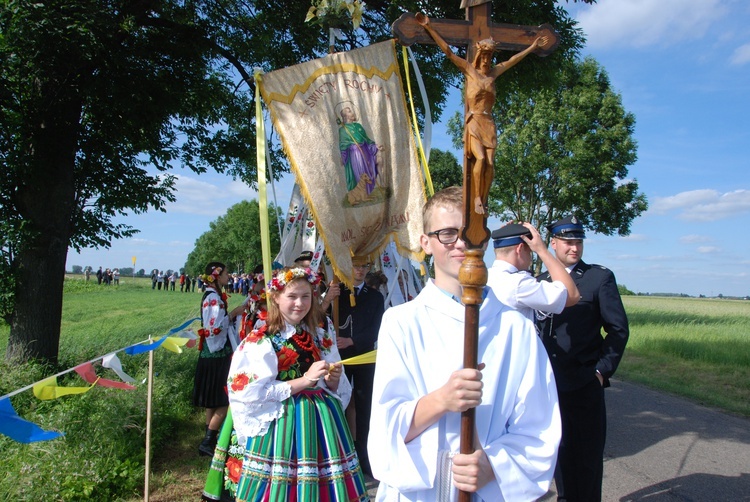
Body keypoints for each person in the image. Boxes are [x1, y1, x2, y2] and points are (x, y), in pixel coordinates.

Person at [368, 186, 561, 501]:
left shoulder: (516, 328)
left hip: (486, 491)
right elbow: (384, 430)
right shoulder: (401, 323)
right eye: (446, 233)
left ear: (483, 239)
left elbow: (540, 429)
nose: (460, 243)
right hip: (418, 492)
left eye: (469, 233)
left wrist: (493, 466)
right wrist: (441, 400)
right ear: (426, 243)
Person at [227, 266, 368, 501]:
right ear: (276, 298)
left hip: (322, 422)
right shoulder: (262, 339)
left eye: (306, 296)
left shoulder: (319, 333)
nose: (300, 304)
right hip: (283, 422)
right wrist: (305, 380)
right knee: (284, 490)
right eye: (291, 297)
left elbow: (335, 384)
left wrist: (331, 381)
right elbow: (250, 393)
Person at [537, 215, 629, 502]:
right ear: (553, 243)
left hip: (584, 382)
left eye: (578, 242)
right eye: (567, 242)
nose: (574, 248)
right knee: (558, 457)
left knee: (587, 460)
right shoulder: (538, 281)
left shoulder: (598, 278)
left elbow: (618, 330)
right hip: (548, 385)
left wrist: (602, 371)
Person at [416, 13, 547, 215]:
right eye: (484, 56)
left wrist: (532, 47)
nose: (486, 60)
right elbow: (449, 52)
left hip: (488, 122)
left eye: (489, 57)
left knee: (491, 163)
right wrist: (430, 27)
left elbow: (513, 60)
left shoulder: (494, 73)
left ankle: (484, 199)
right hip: (474, 120)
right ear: (479, 56)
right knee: (481, 160)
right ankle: (476, 197)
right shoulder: (470, 70)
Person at [324, 255, 385, 476]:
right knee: (335, 401)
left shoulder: (375, 296)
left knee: (363, 404)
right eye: (355, 266)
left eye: (363, 266)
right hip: (337, 358)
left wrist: (353, 340)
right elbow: (318, 320)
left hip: (364, 357)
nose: (359, 270)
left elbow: (377, 326)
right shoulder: (335, 292)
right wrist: (327, 300)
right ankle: (336, 451)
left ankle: (364, 454)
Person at [193, 262, 246, 458]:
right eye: (225, 274)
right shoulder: (213, 299)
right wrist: (234, 314)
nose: (228, 276)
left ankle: (210, 437)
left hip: (213, 354)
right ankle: (208, 439)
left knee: (213, 400)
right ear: (216, 276)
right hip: (216, 354)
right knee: (224, 399)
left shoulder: (214, 296)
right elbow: (213, 328)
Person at [487, 222, 580, 321]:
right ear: (520, 248)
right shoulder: (519, 284)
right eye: (530, 251)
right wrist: (542, 250)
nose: (530, 258)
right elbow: (571, 295)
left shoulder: (486, 277)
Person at [339, 104, 382, 198]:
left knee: (369, 169)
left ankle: (369, 191)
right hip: (355, 154)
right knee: (361, 172)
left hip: (365, 150)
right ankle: (363, 194)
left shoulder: (358, 126)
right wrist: (343, 156)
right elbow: (343, 145)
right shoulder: (343, 130)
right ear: (345, 116)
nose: (352, 112)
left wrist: (374, 145)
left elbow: (366, 138)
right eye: (349, 111)